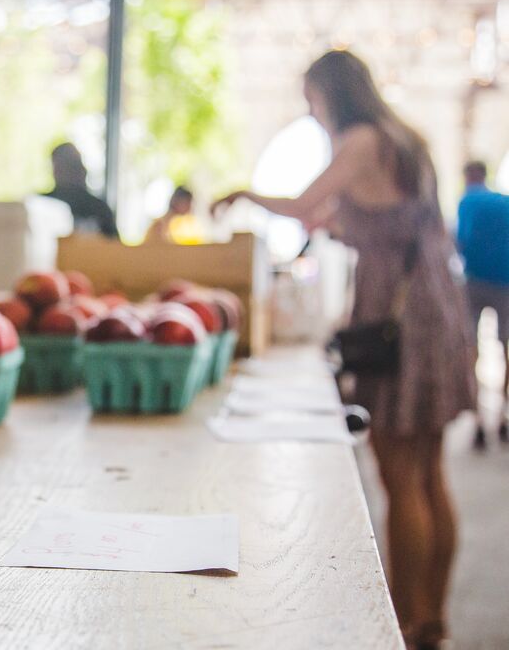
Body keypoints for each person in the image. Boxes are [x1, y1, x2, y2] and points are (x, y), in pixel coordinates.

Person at [213, 50, 475, 650]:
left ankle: (406, 624)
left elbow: (305, 206)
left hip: (398, 319)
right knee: (431, 471)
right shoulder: (401, 138)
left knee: (398, 471)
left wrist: (245, 194)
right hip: (434, 306)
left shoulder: (357, 139)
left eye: (312, 98)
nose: (311, 111)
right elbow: (349, 217)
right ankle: (433, 621)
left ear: (332, 92)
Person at [456, 159, 509, 449]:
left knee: (472, 349)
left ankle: (478, 420)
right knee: (505, 348)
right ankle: (501, 416)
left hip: (475, 281)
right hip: (505, 279)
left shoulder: (468, 201)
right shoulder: (504, 202)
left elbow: (460, 240)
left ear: (468, 175)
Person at [45, 142, 118, 238]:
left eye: (74, 165)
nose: (70, 172)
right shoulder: (42, 207)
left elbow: (115, 248)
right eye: (64, 167)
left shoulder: (99, 209)